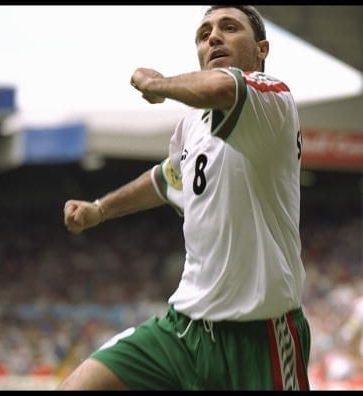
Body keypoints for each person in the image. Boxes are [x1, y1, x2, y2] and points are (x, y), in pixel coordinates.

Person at [59, 5, 310, 390]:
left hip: (259, 338)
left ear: (262, 49)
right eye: (204, 32)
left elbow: (222, 87)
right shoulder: (192, 122)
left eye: (229, 28)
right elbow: (166, 179)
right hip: (184, 328)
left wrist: (157, 84)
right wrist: (99, 209)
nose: (213, 37)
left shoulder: (272, 99)